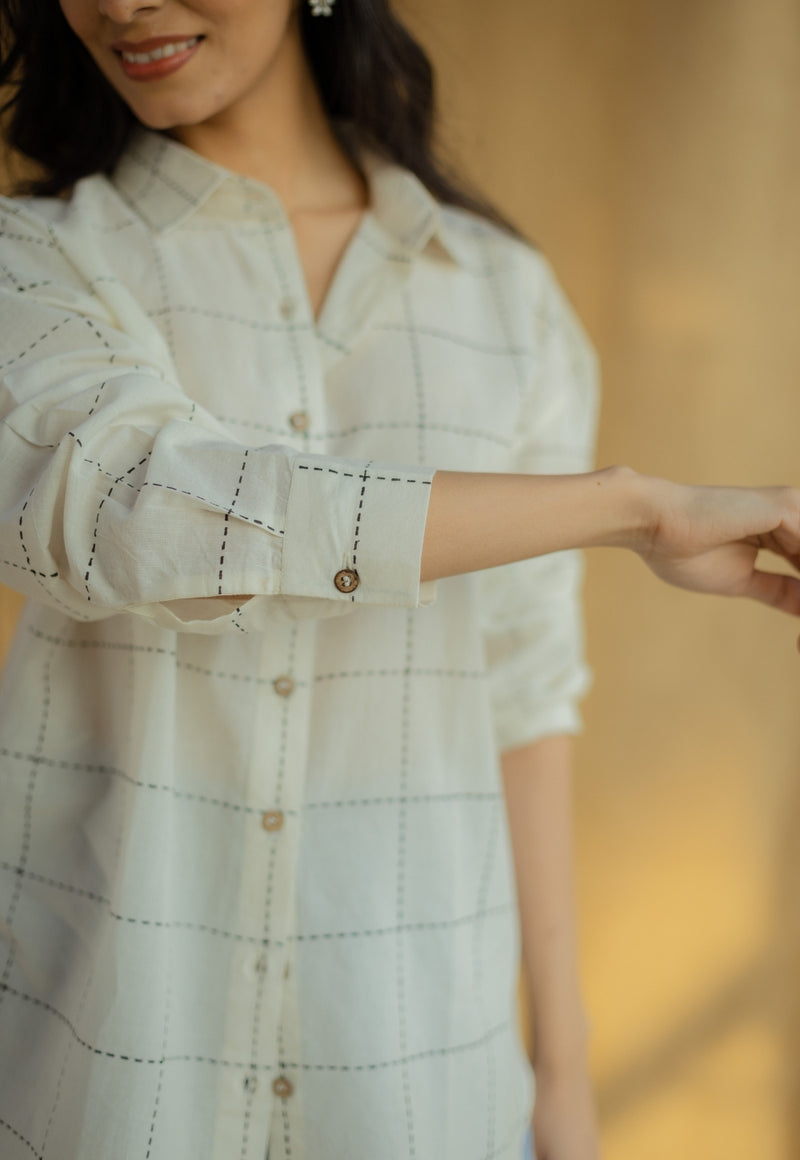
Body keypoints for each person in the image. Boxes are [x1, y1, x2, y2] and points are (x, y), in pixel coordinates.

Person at [0, 2, 798, 1159]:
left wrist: (562, 1079)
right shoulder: (35, 262)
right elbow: (125, 507)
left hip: (424, 1087)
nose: (122, 0)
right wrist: (630, 505)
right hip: (104, 1089)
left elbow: (521, 697)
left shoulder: (501, 297)